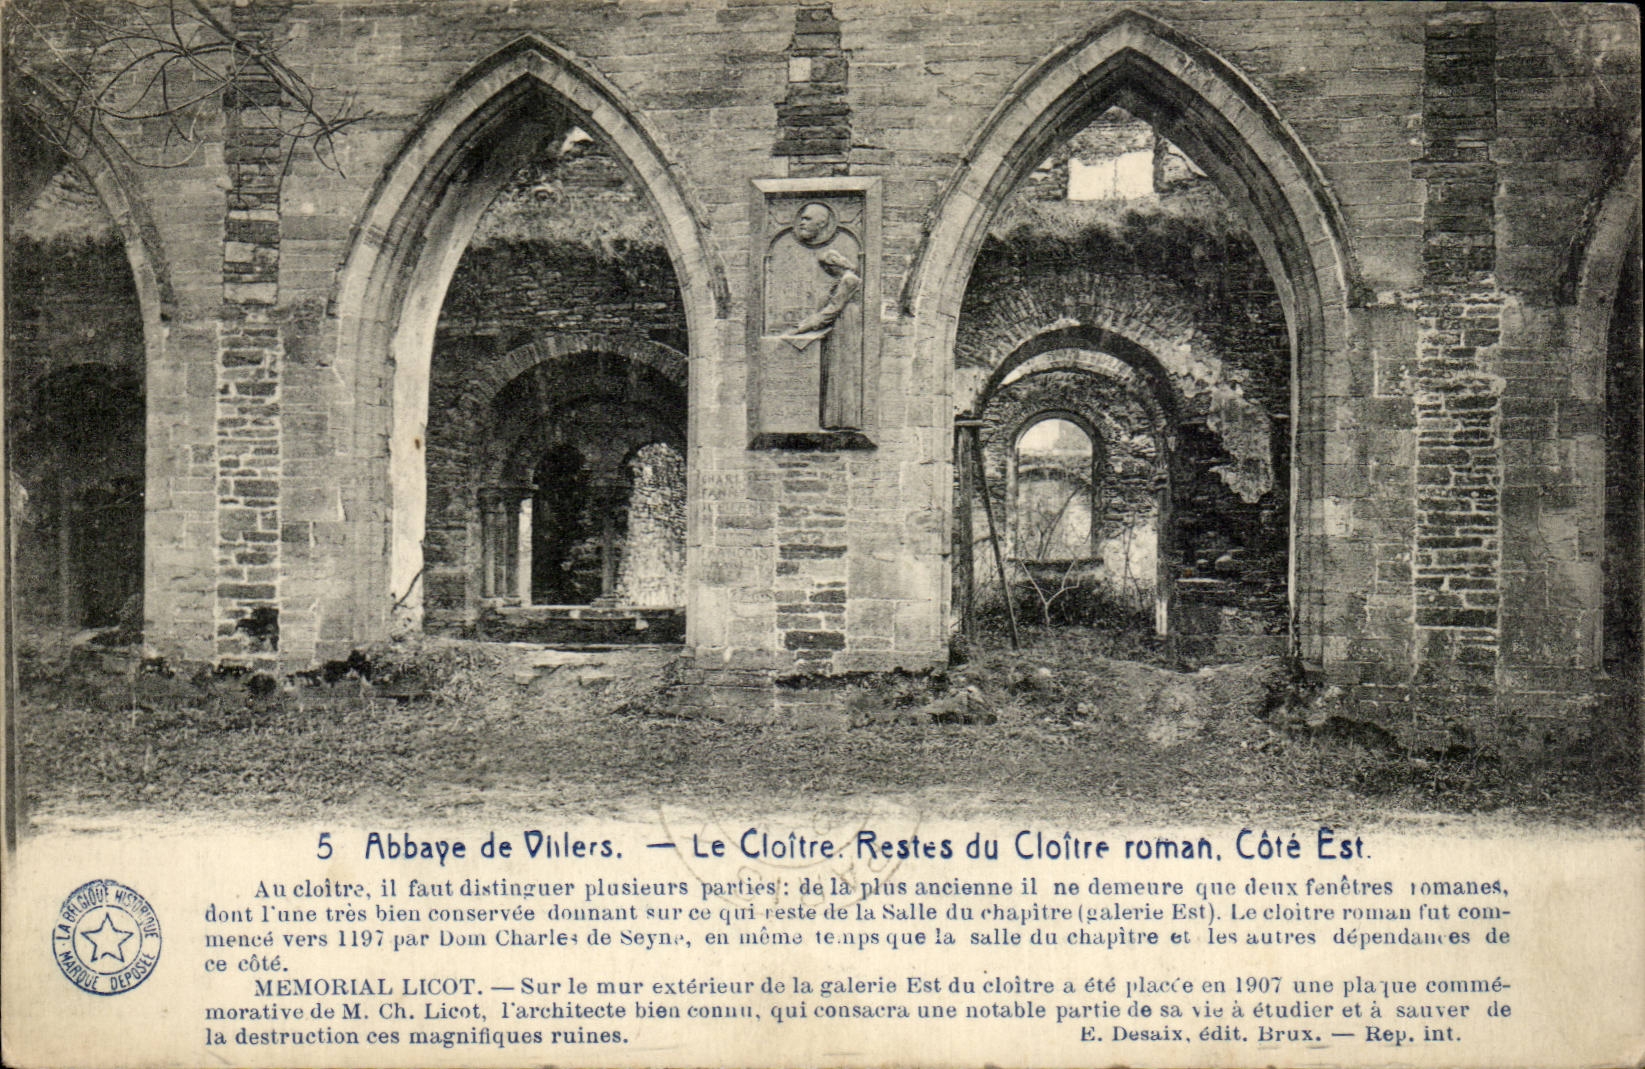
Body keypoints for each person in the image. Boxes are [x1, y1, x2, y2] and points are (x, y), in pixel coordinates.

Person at [767, 201, 864, 430]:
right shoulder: (843, 279)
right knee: (832, 372)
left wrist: (801, 328)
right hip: (836, 327)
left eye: (808, 218)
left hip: (844, 327)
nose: (801, 221)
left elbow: (830, 311)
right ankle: (832, 418)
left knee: (841, 371)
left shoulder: (849, 280)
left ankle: (842, 419)